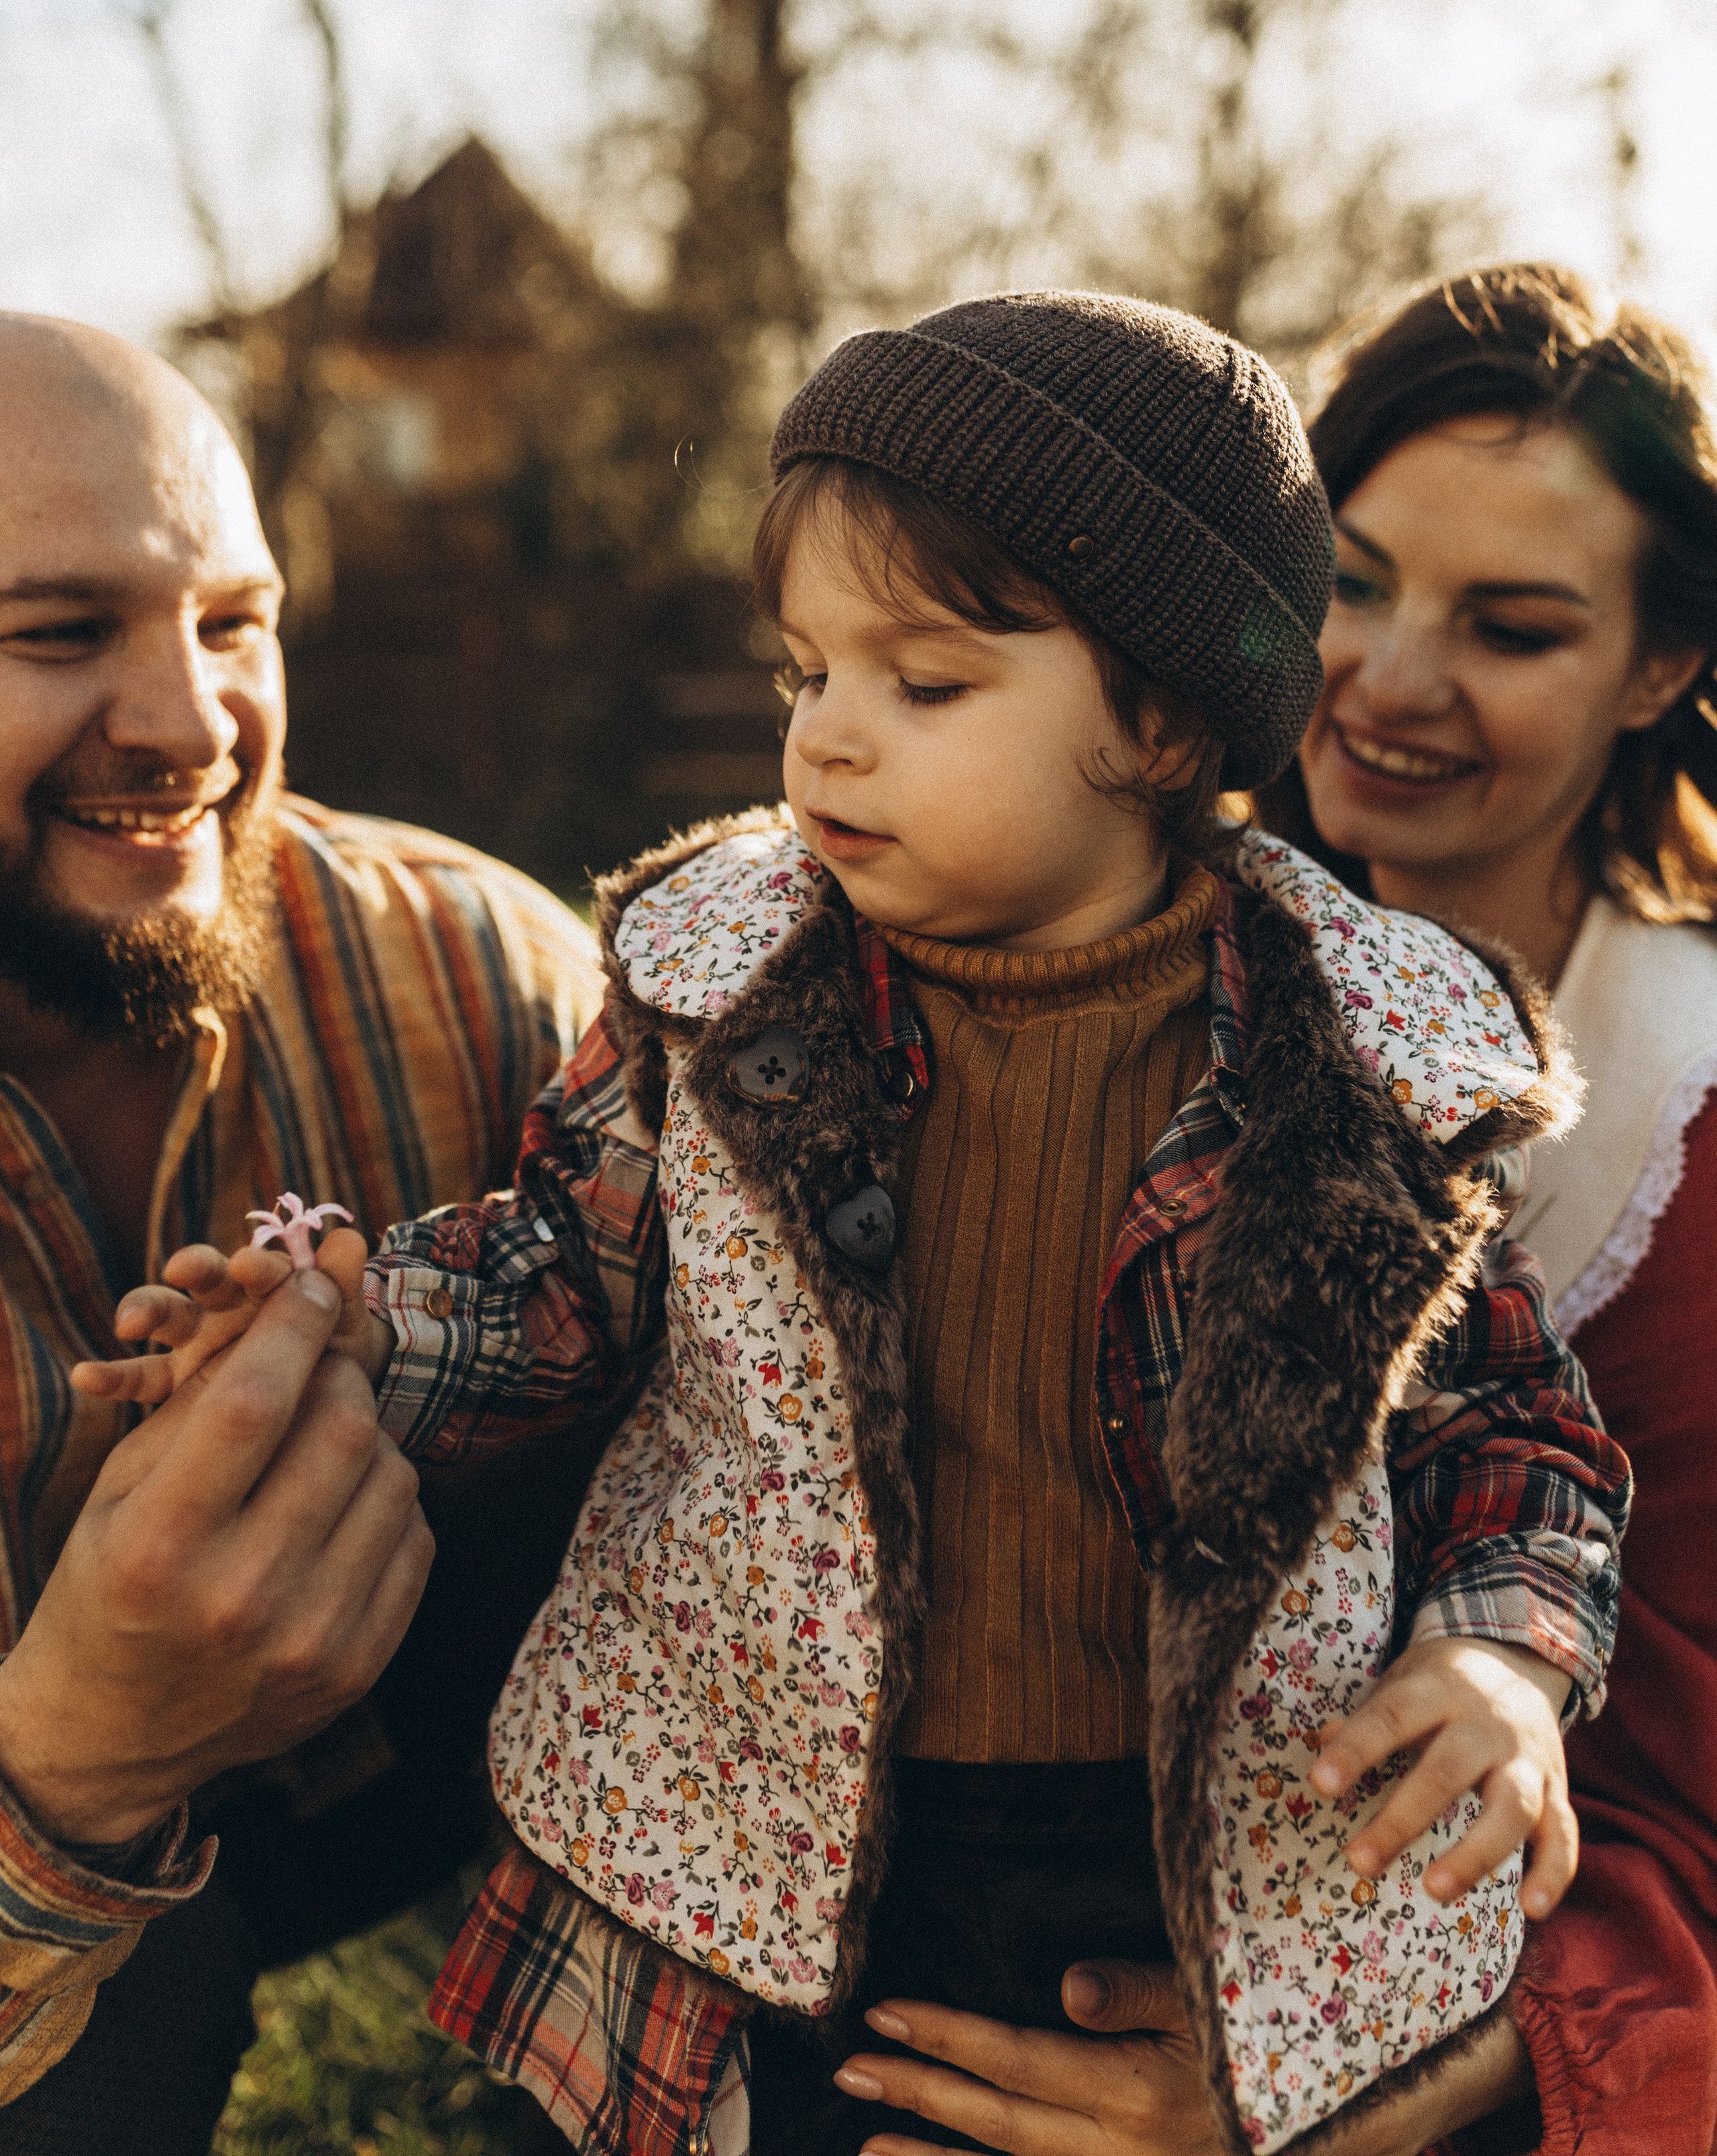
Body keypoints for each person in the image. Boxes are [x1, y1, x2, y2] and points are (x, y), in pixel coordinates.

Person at [116, 292, 1630, 2156]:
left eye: (922, 687)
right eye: (803, 674)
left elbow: (1514, 1436)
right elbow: (558, 1281)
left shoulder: (1359, 1069)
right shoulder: (730, 994)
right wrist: (347, 1319)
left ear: (1159, 722)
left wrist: (1501, 1656)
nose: (827, 743)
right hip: (771, 1806)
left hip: (1204, 1849)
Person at [0, 313, 604, 2149]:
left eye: (232, 619)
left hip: (474, 1756)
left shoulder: (486, 973)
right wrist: (85, 1754)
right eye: (54, 631)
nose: (190, 724)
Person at [1260, 260, 1717, 2156]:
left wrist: (1352, 2104)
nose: (1390, 677)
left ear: (1664, 669)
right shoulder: (1094, 953)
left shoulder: (1696, 1137)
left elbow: (1695, 1792)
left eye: (1512, 626)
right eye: (1351, 582)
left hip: (1502, 2001)